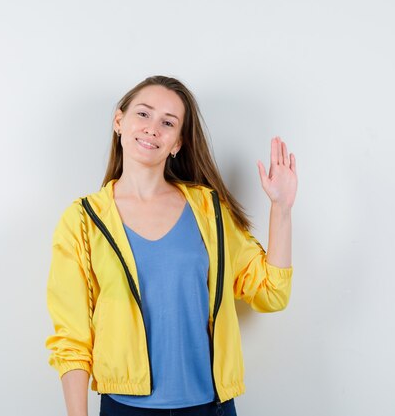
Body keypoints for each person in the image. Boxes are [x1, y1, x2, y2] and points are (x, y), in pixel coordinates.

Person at [45, 75, 297, 416]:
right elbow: (72, 338)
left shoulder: (210, 211)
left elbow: (271, 293)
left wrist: (281, 209)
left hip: (210, 407)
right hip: (125, 408)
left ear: (178, 143)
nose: (152, 129)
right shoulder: (82, 220)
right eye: (143, 114)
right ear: (119, 121)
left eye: (168, 123)